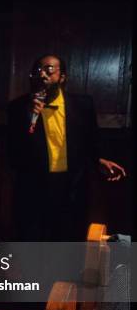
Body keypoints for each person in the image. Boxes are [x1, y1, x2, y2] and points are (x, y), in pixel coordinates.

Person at [7, 54, 127, 241]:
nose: (43, 75)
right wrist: (27, 118)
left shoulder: (82, 105)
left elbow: (91, 141)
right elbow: (13, 155)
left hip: (71, 188)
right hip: (34, 189)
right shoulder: (18, 108)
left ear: (62, 77)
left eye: (49, 69)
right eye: (38, 71)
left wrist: (98, 161)